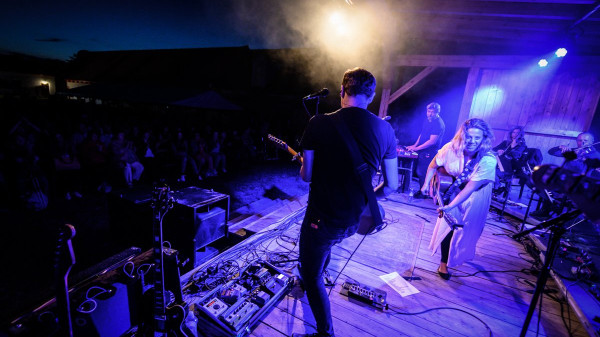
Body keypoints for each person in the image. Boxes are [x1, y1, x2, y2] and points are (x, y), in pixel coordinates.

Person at [295, 68, 398, 337]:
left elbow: (307, 177)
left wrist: (304, 164)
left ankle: (325, 332)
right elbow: (394, 186)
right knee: (325, 247)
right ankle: (317, 271)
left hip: (321, 219)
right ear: (372, 95)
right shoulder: (385, 129)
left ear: (342, 91)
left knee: (311, 274)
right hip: (354, 221)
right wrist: (367, 196)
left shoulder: (318, 123)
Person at [421, 118, 496, 280]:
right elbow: (433, 165)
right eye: (469, 137)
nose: (472, 141)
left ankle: (456, 258)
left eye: (477, 138)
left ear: (484, 139)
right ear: (462, 136)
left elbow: (469, 189)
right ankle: (443, 263)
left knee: (465, 231)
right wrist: (426, 184)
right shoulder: (450, 148)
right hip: (454, 189)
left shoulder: (487, 160)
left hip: (476, 196)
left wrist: (449, 206)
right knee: (446, 226)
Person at [532, 132, 600, 219]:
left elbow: (589, 171)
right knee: (542, 182)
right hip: (563, 178)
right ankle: (547, 210)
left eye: (585, 141)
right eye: (580, 140)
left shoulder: (595, 155)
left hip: (577, 182)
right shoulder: (574, 151)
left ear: (592, 141)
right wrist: (560, 147)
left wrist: (582, 159)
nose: (582, 143)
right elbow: (551, 152)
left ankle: (553, 210)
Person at [406, 102, 445, 198]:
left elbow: (432, 141)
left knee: (423, 172)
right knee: (419, 171)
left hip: (430, 152)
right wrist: (414, 145)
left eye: (432, 112)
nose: (430, 114)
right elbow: (422, 134)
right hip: (423, 150)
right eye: (428, 111)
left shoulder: (438, 124)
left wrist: (416, 148)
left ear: (437, 112)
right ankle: (422, 191)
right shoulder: (427, 120)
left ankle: (423, 193)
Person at [492, 126, 527, 197]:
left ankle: (497, 188)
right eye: (514, 132)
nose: (515, 134)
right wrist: (498, 151)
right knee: (490, 170)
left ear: (521, 135)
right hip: (500, 165)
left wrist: (514, 142)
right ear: (511, 133)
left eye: (518, 133)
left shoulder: (522, 146)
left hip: (511, 168)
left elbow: (515, 155)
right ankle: (497, 188)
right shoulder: (505, 142)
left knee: (493, 172)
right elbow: (493, 149)